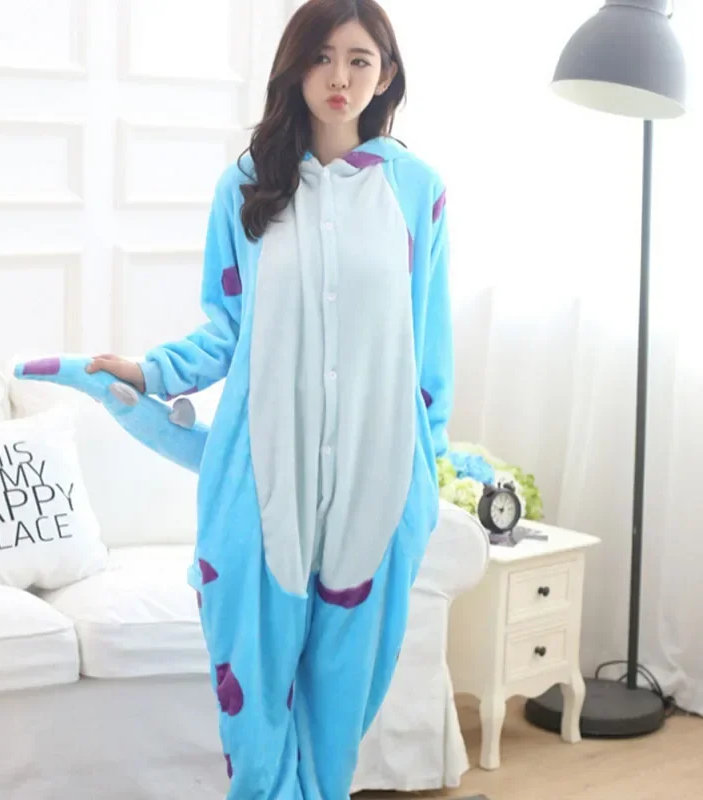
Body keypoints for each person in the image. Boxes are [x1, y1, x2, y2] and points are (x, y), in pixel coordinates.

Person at [87, 0, 454, 796]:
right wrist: (150, 373)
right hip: (261, 486)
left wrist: (425, 477)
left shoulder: (416, 191)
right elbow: (224, 328)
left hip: (377, 487)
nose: (339, 76)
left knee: (339, 717)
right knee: (252, 711)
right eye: (321, 56)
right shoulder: (248, 185)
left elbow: (430, 350)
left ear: (386, 74)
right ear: (294, 66)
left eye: (359, 59)